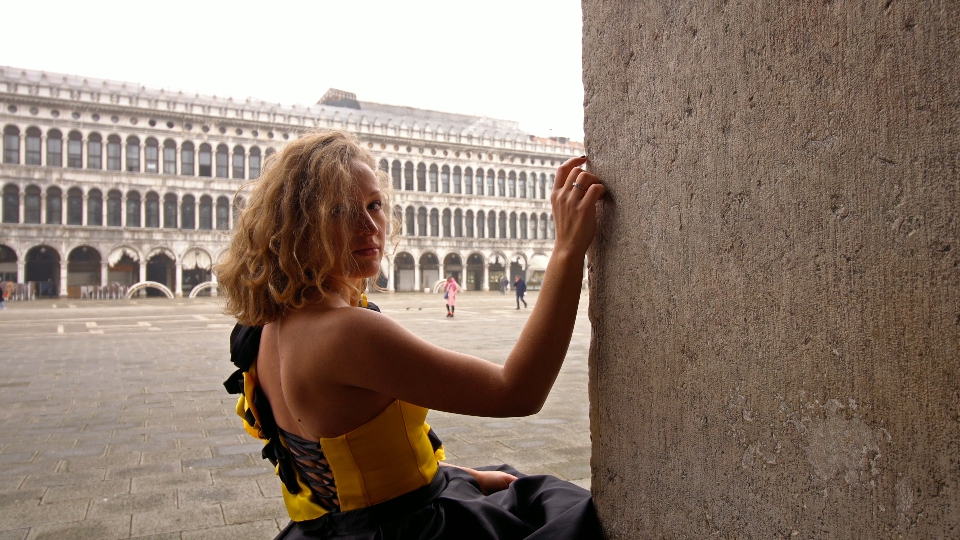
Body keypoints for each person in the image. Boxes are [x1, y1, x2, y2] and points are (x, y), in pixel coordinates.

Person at [217, 131, 604, 539]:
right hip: (406, 528)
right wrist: (567, 248)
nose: (369, 226)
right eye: (338, 211)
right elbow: (517, 392)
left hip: (327, 528)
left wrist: (461, 475)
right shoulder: (346, 332)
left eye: (374, 205)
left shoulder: (264, 327)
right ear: (299, 225)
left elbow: (349, 460)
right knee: (568, 511)